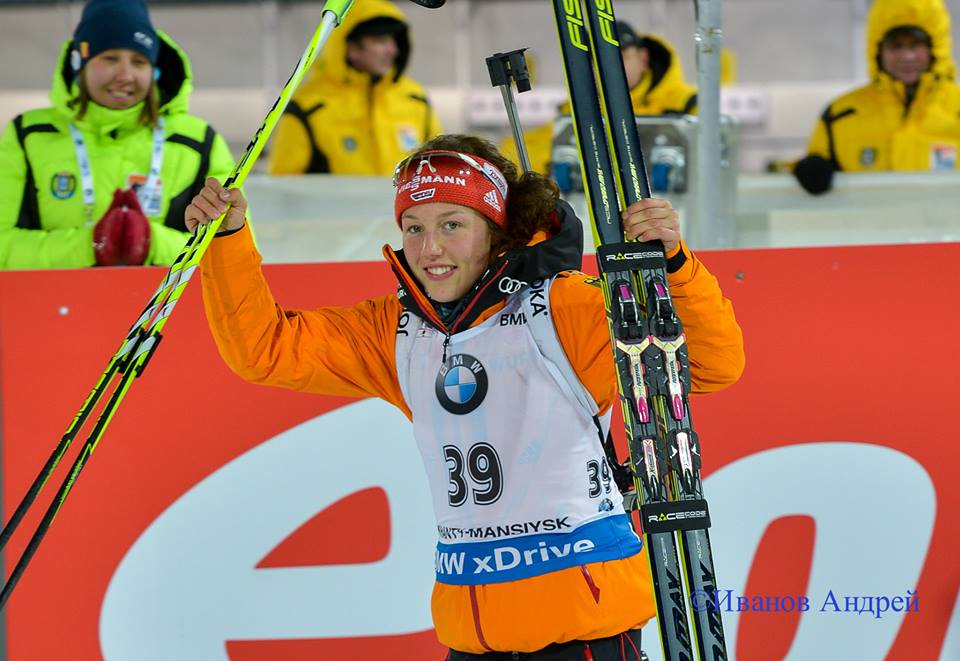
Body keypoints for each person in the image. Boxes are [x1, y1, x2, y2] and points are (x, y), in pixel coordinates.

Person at [190, 133, 745, 659]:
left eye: (452, 224)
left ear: (496, 230)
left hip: (583, 633)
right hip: (473, 638)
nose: (429, 249)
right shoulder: (398, 332)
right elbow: (264, 351)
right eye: (413, 227)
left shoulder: (562, 308)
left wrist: (673, 264)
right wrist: (226, 240)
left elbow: (709, 366)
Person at [0, 0, 235, 270]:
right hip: (53, 308)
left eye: (139, 61)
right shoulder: (29, 135)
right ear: (80, 63)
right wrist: (88, 245)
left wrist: (152, 243)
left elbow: (232, 251)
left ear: (154, 71)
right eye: (110, 58)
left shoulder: (198, 141)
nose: (126, 75)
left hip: (170, 310)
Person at [794, 0, 960, 195]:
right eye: (896, 46)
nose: (907, 56)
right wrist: (811, 168)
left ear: (935, 48)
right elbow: (812, 162)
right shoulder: (841, 117)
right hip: (866, 225)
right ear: (878, 51)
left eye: (916, 45)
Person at [267, 0, 442, 176]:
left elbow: (439, 167)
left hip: (404, 204)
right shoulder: (307, 107)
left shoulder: (416, 99)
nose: (392, 50)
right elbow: (284, 186)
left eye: (393, 41)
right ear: (350, 46)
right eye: (380, 40)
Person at [500, 21, 698, 176]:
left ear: (643, 59)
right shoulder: (578, 110)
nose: (610, 67)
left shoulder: (686, 106)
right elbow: (526, 152)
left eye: (621, 56)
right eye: (599, 59)